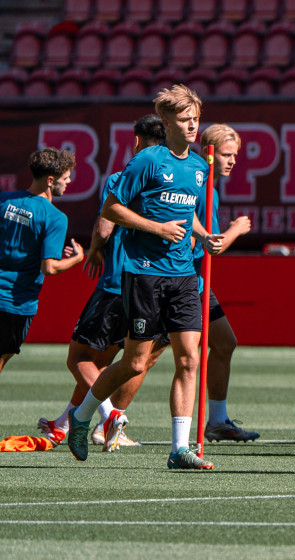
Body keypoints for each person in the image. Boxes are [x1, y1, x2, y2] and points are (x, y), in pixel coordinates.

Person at [65, 85, 220, 469]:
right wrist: (157, 228)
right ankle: (82, 417)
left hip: (183, 275)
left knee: (189, 360)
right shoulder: (147, 161)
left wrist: (202, 235)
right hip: (144, 274)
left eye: (196, 120)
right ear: (166, 123)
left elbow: (190, 214)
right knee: (134, 363)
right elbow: (113, 209)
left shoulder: (200, 167)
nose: (192, 127)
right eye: (185, 120)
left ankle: (179, 449)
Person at [39, 116, 166, 450]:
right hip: (160, 283)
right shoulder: (177, 181)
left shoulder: (123, 176)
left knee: (80, 359)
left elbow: (105, 226)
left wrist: (95, 250)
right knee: (132, 361)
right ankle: (68, 422)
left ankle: (109, 416)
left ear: (136, 141)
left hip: (118, 282)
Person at [0, 148, 83, 381]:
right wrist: (76, 259)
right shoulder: (55, 217)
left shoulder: (4, 200)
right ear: (50, 181)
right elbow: (49, 267)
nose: (68, 182)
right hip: (15, 302)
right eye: (65, 178)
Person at [198, 124, 257, 442]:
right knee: (141, 359)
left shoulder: (211, 188)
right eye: (226, 154)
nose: (233, 161)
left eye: (235, 155)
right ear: (208, 152)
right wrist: (237, 228)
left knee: (224, 342)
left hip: (196, 282)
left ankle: (218, 421)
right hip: (178, 280)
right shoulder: (202, 186)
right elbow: (214, 244)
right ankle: (96, 415)